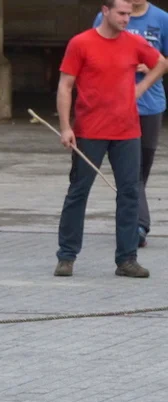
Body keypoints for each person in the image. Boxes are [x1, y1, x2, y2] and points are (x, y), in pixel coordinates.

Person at [55, 0, 168, 279]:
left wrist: (140, 88)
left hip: (127, 132)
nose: (127, 19)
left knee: (129, 193)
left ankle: (127, 259)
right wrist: (66, 127)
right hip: (89, 131)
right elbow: (65, 86)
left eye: (129, 14)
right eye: (121, 13)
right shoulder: (81, 43)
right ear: (105, 11)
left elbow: (161, 63)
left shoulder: (134, 43)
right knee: (78, 192)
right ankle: (67, 256)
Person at [95, 0, 168, 248]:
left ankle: (130, 220)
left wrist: (152, 64)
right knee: (131, 170)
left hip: (150, 106)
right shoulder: (106, 17)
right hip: (116, 105)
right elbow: (95, 53)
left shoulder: (162, 19)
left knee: (140, 171)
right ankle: (139, 226)